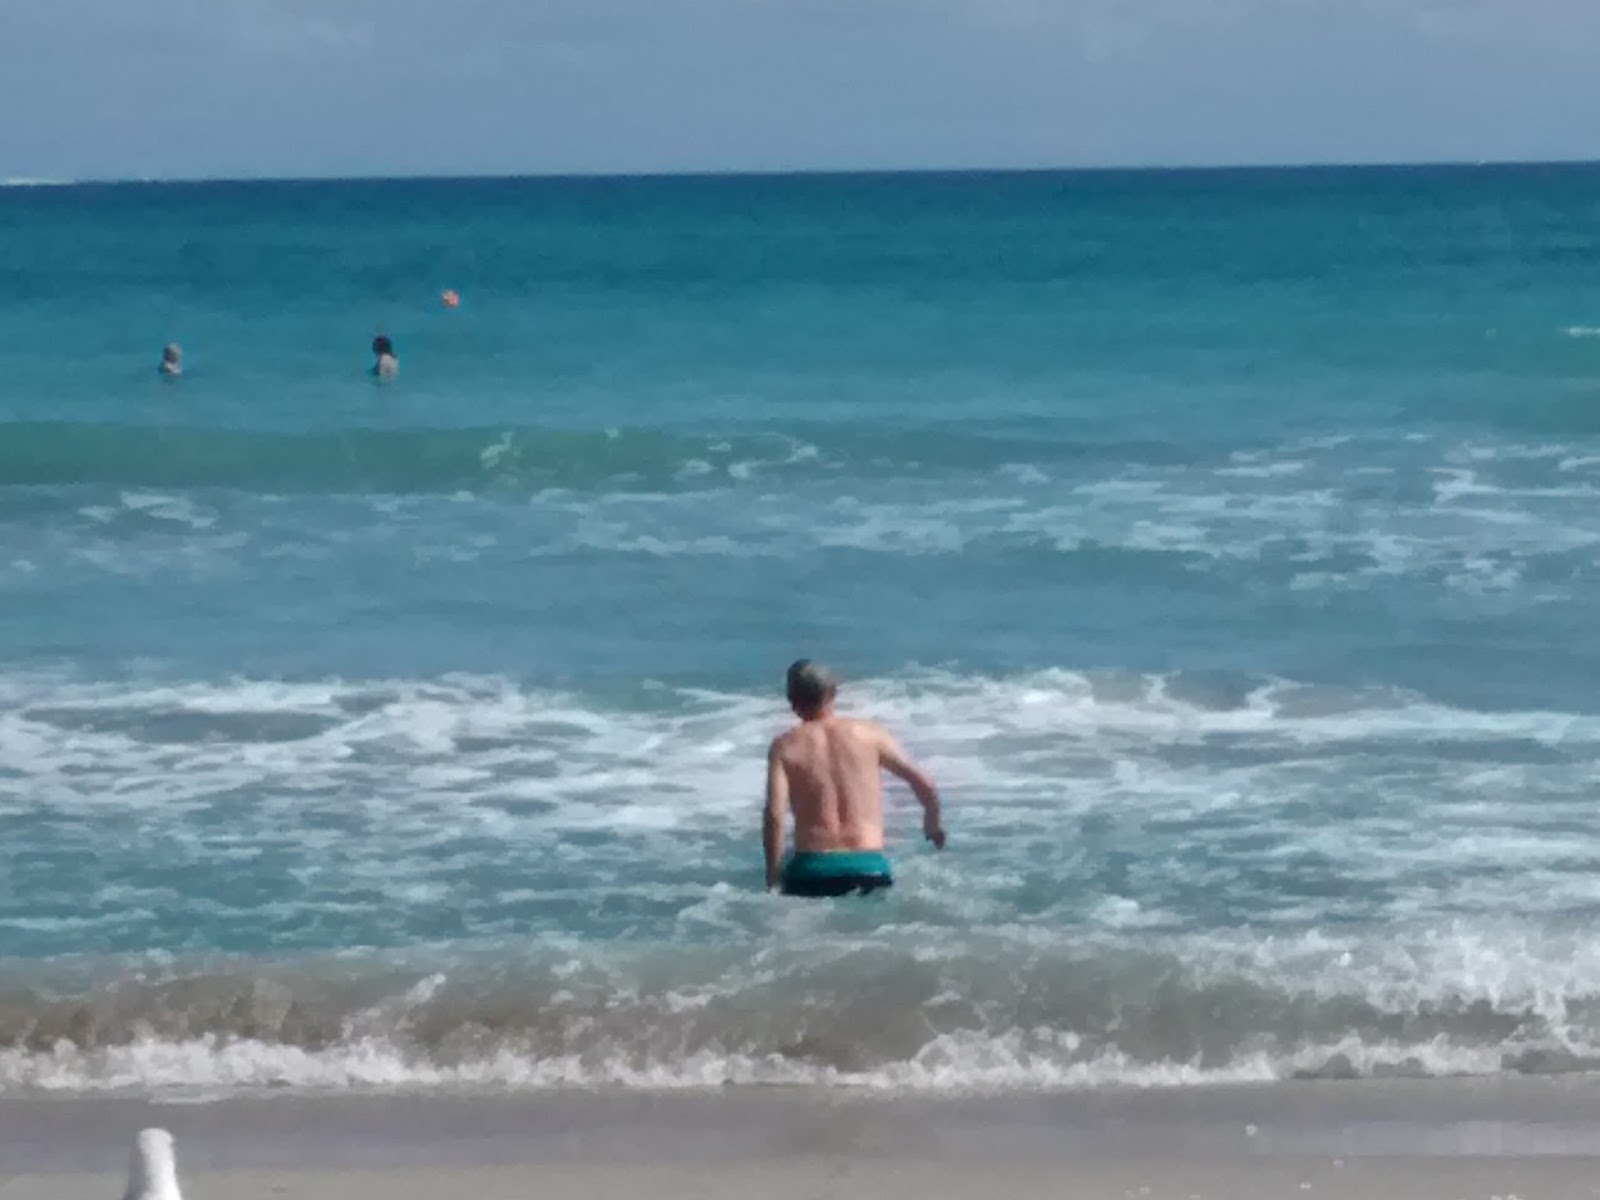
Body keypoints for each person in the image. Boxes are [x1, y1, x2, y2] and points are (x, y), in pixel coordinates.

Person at [763, 660, 944, 897]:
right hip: (869, 870)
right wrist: (932, 824)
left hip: (812, 872)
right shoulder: (870, 734)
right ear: (833, 693)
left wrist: (773, 876)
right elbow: (924, 783)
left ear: (792, 701)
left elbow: (775, 815)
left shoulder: (784, 746)